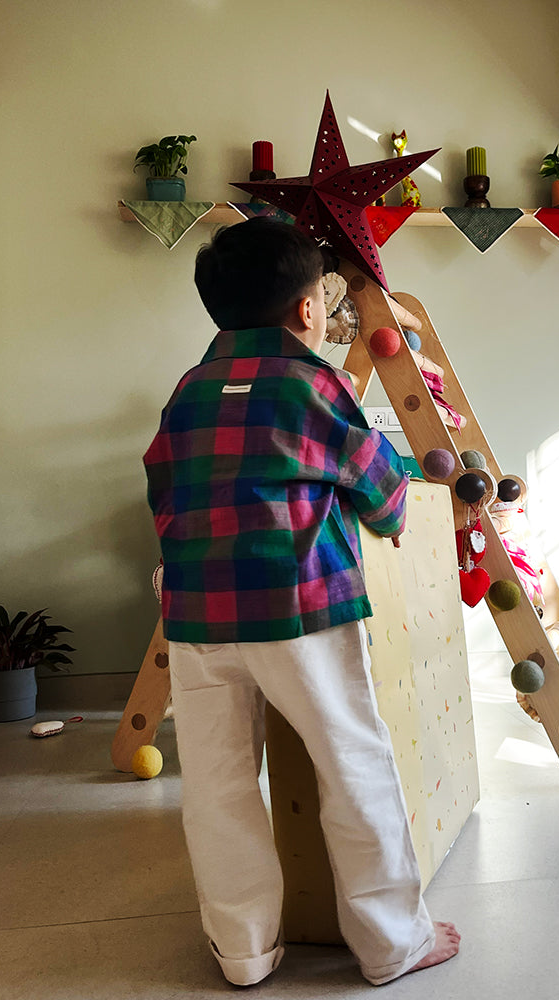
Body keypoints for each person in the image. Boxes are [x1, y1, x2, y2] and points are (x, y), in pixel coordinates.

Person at [143, 218, 460, 987]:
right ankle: (391, 942)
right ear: (309, 309)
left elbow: (161, 486)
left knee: (217, 785)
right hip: (299, 605)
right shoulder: (310, 383)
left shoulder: (187, 392)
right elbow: (376, 479)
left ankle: (244, 952)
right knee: (352, 762)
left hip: (198, 616)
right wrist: (387, 517)